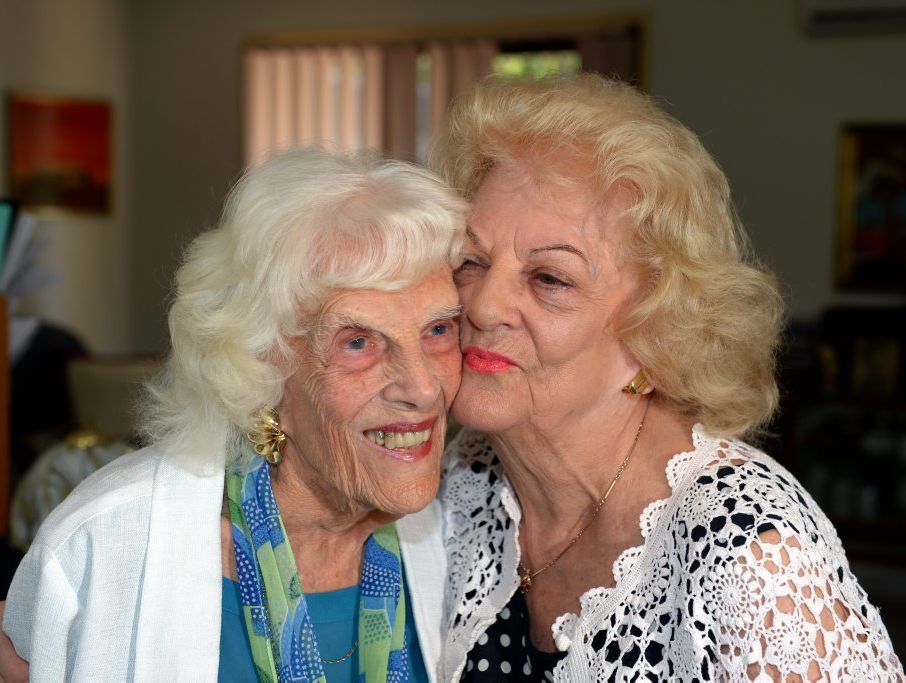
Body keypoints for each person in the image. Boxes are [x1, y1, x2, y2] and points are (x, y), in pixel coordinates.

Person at [432, 75, 904, 681]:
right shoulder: (464, 483)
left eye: (550, 279)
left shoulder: (753, 556)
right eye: (471, 260)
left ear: (655, 330)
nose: (482, 304)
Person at [2, 148, 468, 681]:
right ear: (259, 366)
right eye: (358, 342)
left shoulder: (461, 542)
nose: (423, 388)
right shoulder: (107, 545)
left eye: (438, 330)